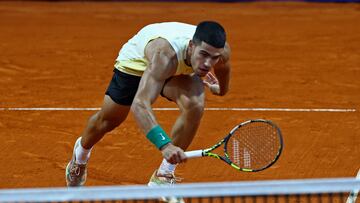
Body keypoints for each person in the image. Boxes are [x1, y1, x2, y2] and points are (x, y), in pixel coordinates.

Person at [65, 21, 231, 202]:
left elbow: (223, 68)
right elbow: (140, 104)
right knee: (109, 119)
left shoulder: (219, 52)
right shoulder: (164, 55)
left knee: (195, 105)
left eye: (213, 57)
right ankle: (80, 157)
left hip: (175, 69)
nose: (208, 63)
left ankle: (163, 176)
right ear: (191, 45)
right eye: (203, 54)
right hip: (137, 64)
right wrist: (165, 145)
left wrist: (220, 90)